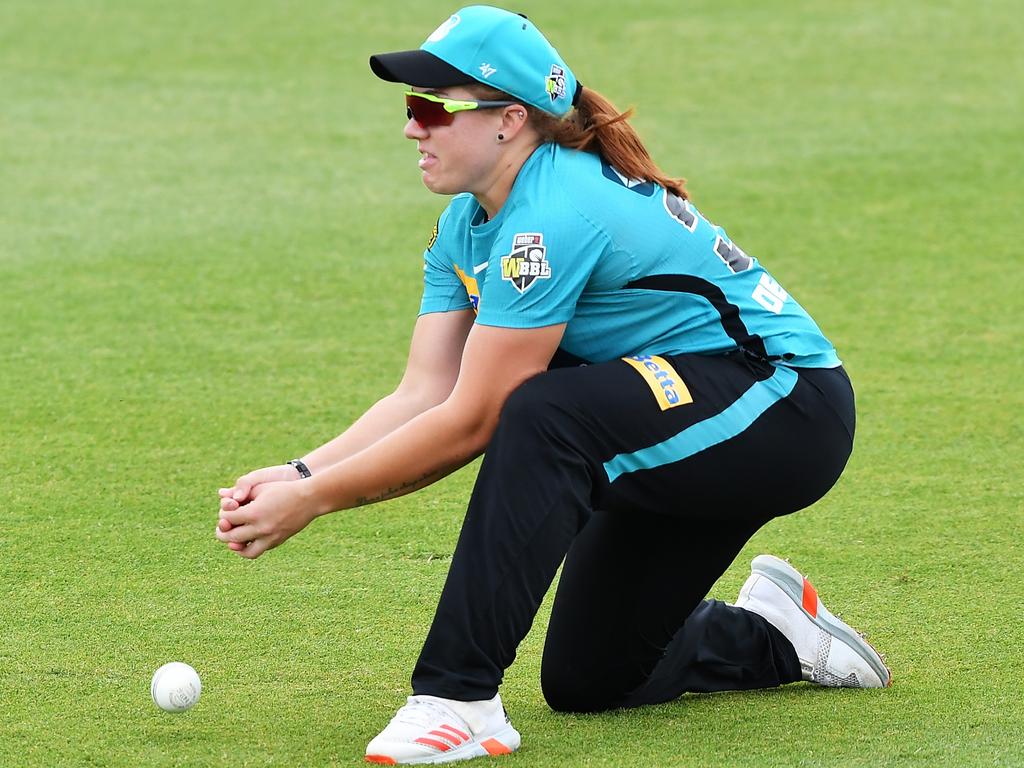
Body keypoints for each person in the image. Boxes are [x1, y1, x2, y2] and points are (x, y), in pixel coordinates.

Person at [216, 5, 891, 764]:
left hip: (786, 410)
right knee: (593, 677)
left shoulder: (555, 213)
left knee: (539, 410)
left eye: (432, 107)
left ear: (509, 121)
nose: (412, 128)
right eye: (410, 107)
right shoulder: (466, 229)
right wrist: (303, 470)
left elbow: (476, 420)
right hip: (666, 415)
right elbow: (426, 393)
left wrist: (315, 501)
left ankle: (458, 698)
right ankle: (776, 635)